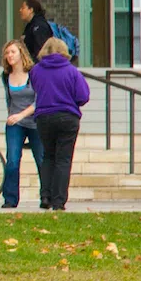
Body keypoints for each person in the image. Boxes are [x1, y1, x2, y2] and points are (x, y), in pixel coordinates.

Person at [28, 37, 90, 211]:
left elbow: (35, 88)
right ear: (64, 51)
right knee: (63, 159)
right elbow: (83, 96)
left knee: (48, 156)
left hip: (44, 117)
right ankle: (59, 200)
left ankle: (45, 196)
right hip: (67, 117)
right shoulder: (72, 71)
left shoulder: (36, 70)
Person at [0, 40, 39, 210]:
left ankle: (47, 196)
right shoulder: (5, 75)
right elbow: (10, 99)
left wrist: (21, 115)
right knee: (13, 160)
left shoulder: (34, 73)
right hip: (15, 123)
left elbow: (39, 100)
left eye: (13, 52)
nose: (9, 56)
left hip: (34, 122)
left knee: (42, 159)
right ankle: (10, 198)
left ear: (21, 53)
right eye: (7, 53)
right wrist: (12, 116)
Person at [18, 0, 53, 66]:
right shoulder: (30, 25)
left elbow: (41, 50)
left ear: (31, 10)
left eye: (23, 8)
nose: (20, 10)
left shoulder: (39, 26)